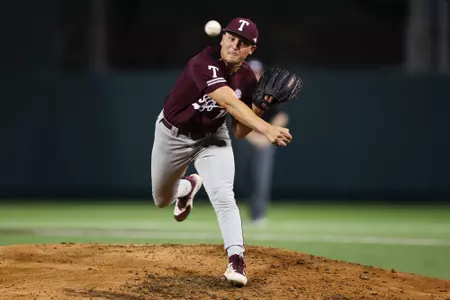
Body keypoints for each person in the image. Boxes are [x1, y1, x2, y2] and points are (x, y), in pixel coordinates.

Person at [150, 17, 292, 287]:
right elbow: (226, 99)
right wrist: (266, 127)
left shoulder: (248, 77)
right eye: (231, 38)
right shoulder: (201, 63)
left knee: (224, 195)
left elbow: (238, 130)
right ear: (223, 38)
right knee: (161, 198)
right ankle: (187, 187)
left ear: (252, 50)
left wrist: (262, 105)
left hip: (212, 136)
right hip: (172, 134)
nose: (235, 45)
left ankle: (236, 260)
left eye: (243, 43)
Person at [241, 59, 289, 227]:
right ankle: (250, 214)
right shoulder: (242, 93)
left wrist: (268, 135)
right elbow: (237, 119)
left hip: (265, 141)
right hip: (247, 139)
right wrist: (254, 137)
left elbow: (281, 116)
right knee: (246, 177)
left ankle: (259, 215)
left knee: (261, 178)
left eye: (256, 71)